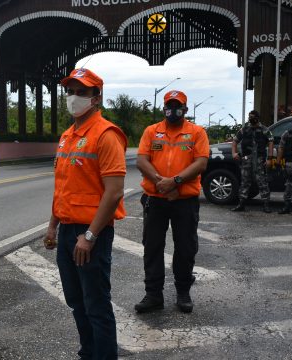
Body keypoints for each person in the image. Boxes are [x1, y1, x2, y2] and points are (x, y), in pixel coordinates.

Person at [43, 68, 126, 360]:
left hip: (91, 234)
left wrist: (89, 236)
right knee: (76, 301)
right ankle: (88, 352)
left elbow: (114, 192)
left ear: (96, 97)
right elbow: (62, 186)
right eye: (70, 91)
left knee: (96, 305)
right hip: (67, 231)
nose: (74, 97)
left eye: (82, 92)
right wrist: (53, 226)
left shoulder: (106, 135)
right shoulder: (67, 136)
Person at [133, 90, 209, 314]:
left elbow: (201, 163)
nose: (173, 109)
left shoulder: (197, 133)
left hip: (184, 201)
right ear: (163, 108)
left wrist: (174, 182)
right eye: (169, 105)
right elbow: (141, 160)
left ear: (185, 110)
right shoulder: (151, 131)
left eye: (178, 106)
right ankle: (153, 295)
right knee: (153, 247)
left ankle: (183, 293)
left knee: (185, 248)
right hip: (155, 200)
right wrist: (161, 183)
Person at [230, 110, 274, 213]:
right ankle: (241, 204)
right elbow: (235, 141)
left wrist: (269, 158)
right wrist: (234, 153)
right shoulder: (245, 129)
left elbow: (271, 143)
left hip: (259, 160)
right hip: (246, 159)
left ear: (258, 118)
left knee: (262, 182)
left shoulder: (264, 130)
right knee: (245, 182)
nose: (251, 119)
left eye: (253, 117)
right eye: (250, 117)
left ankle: (266, 204)